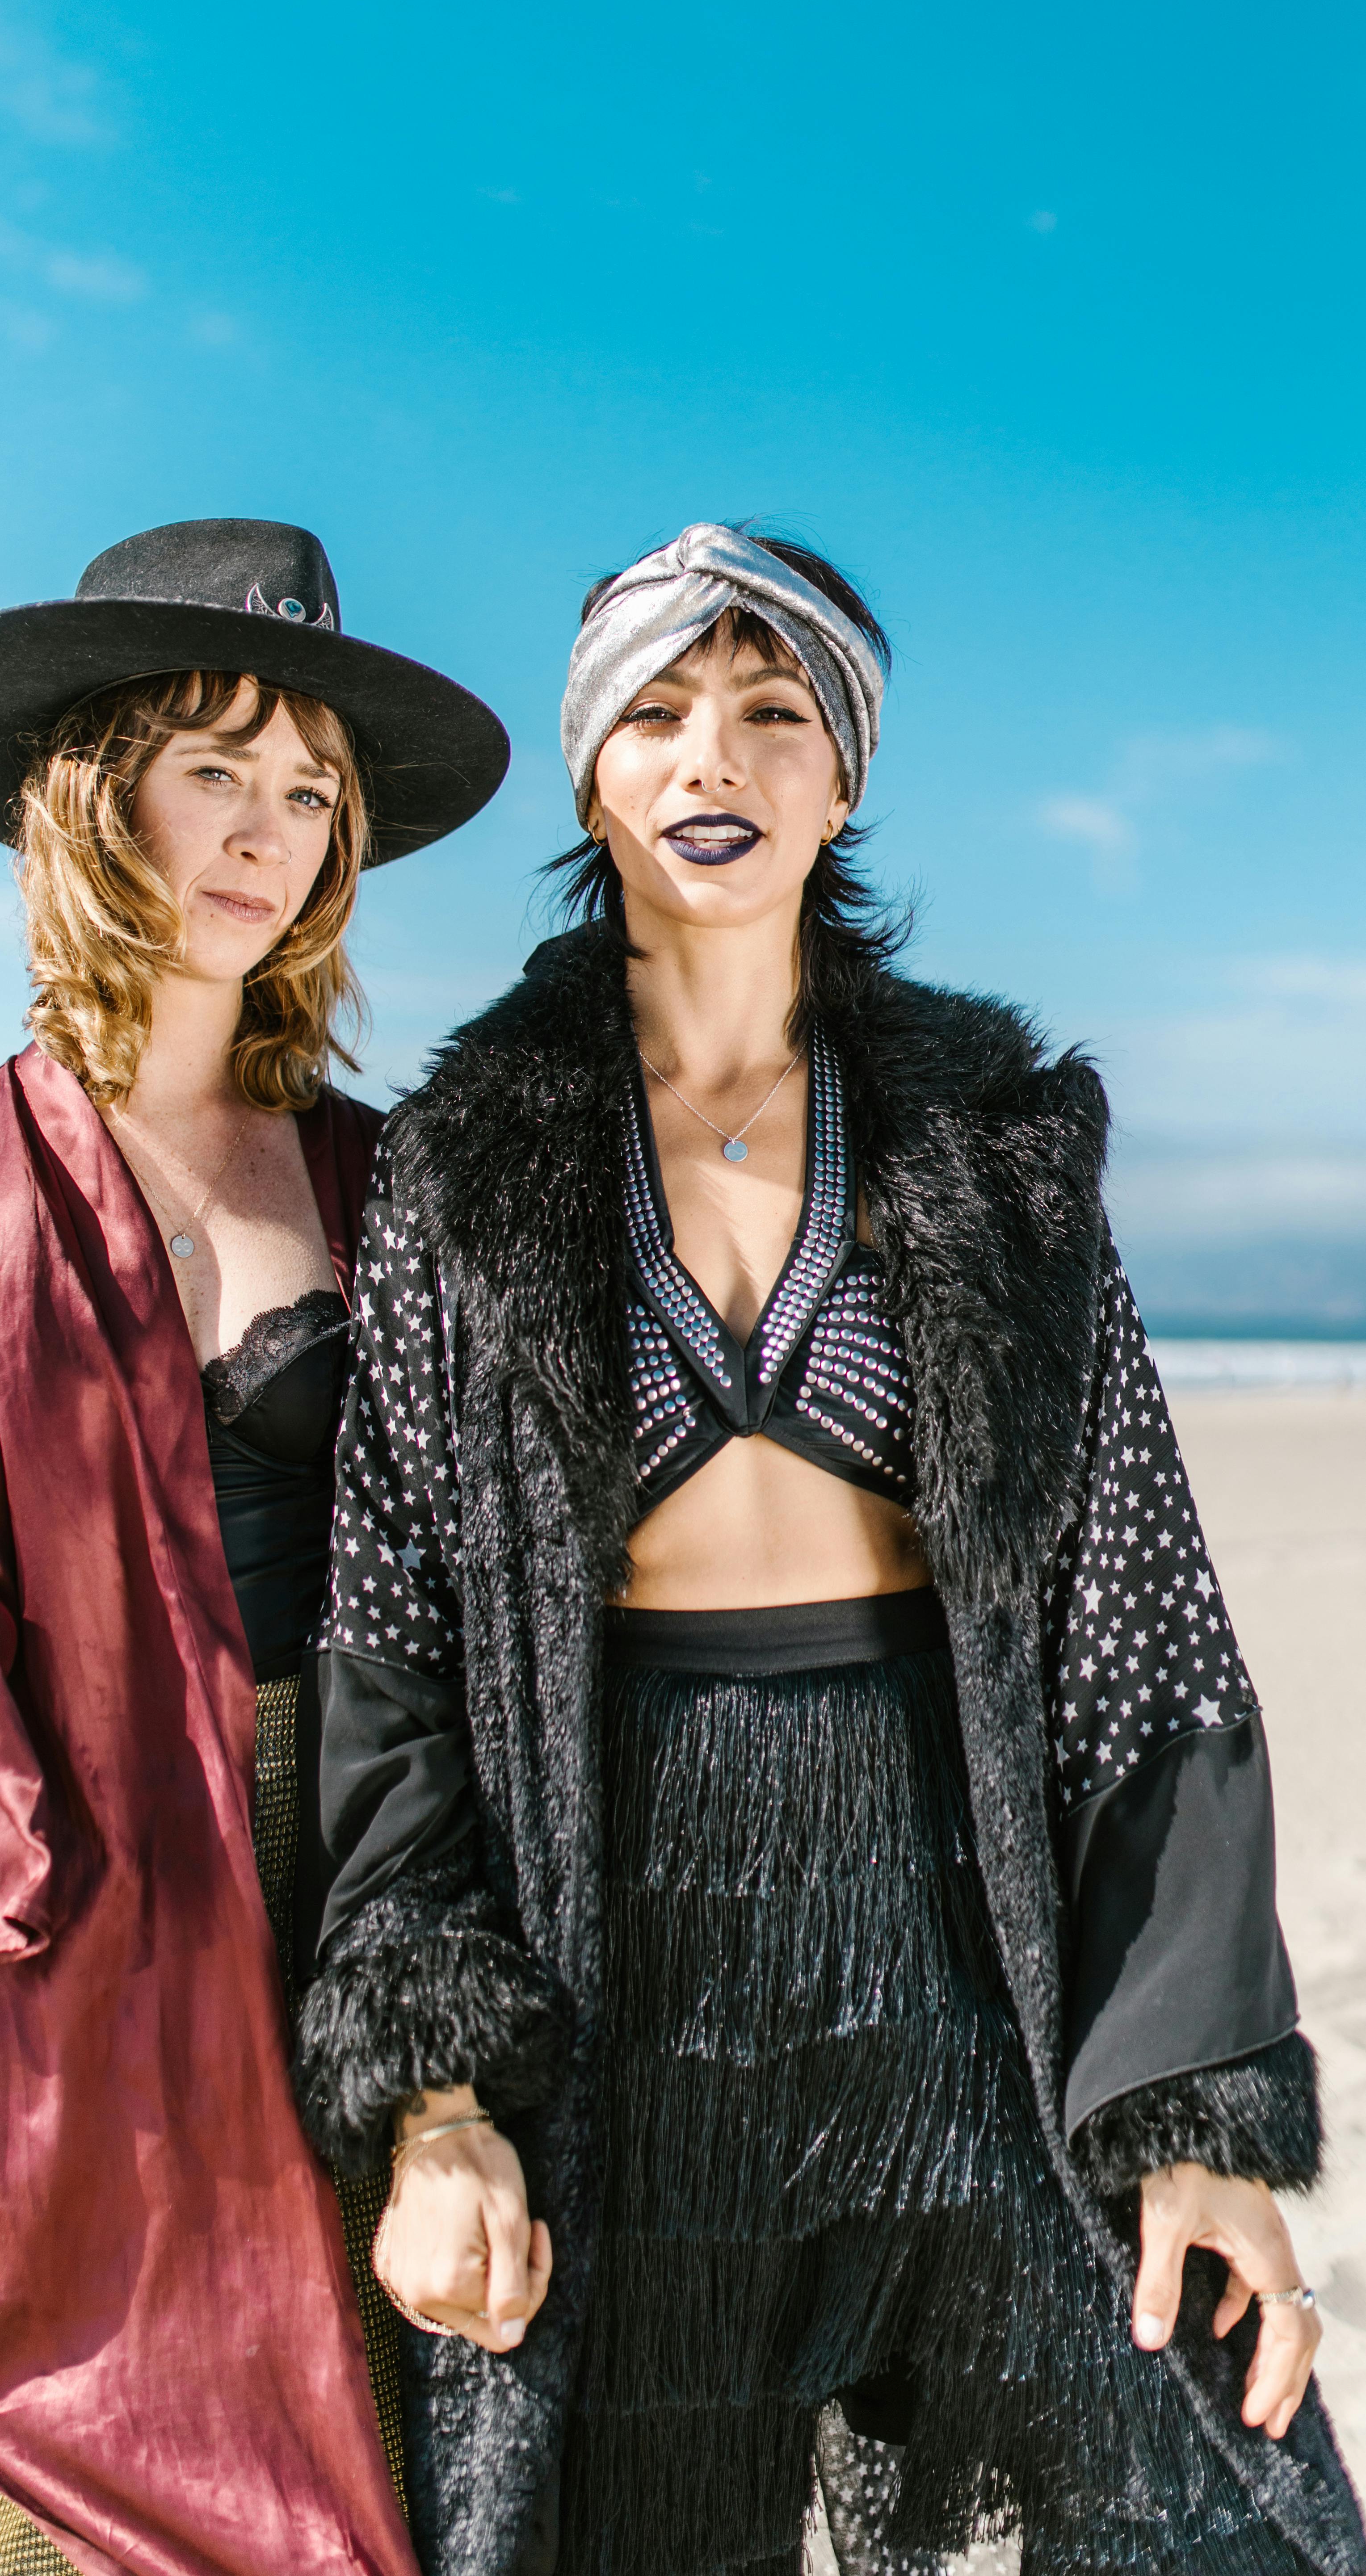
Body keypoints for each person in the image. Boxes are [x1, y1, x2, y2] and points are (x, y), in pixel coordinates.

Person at [292, 524, 1364, 2576]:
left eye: (777, 713)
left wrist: (1200, 2113)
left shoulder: (996, 1135)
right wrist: (434, 2094)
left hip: (959, 1934)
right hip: (626, 1953)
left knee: (1182, 2471)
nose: (720, 757)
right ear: (592, 770)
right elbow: (396, 1635)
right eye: (663, 712)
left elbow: (1132, 1616)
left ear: (844, 775)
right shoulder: (468, 1154)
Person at [0, 519, 508, 2576]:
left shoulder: (393, 1175)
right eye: (216, 771)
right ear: (97, 788)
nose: (268, 833)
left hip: (360, 1913)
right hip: (49, 1970)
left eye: (310, 792)